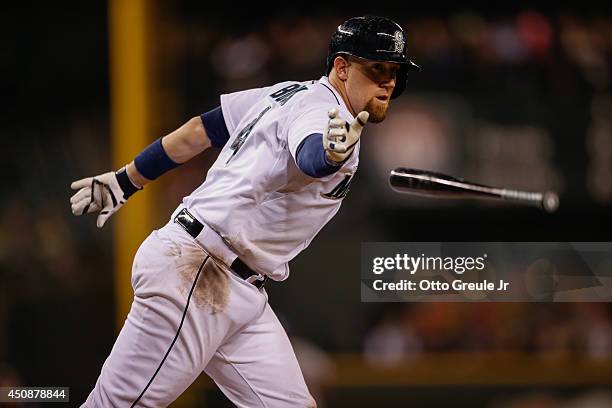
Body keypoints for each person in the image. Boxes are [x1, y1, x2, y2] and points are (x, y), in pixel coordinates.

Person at [70, 15, 420, 408]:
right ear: (341, 67)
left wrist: (127, 180)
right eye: (376, 67)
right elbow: (309, 156)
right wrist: (327, 154)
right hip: (199, 272)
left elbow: (200, 130)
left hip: (237, 288)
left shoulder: (284, 93)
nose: (388, 80)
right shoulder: (323, 113)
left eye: (393, 71)